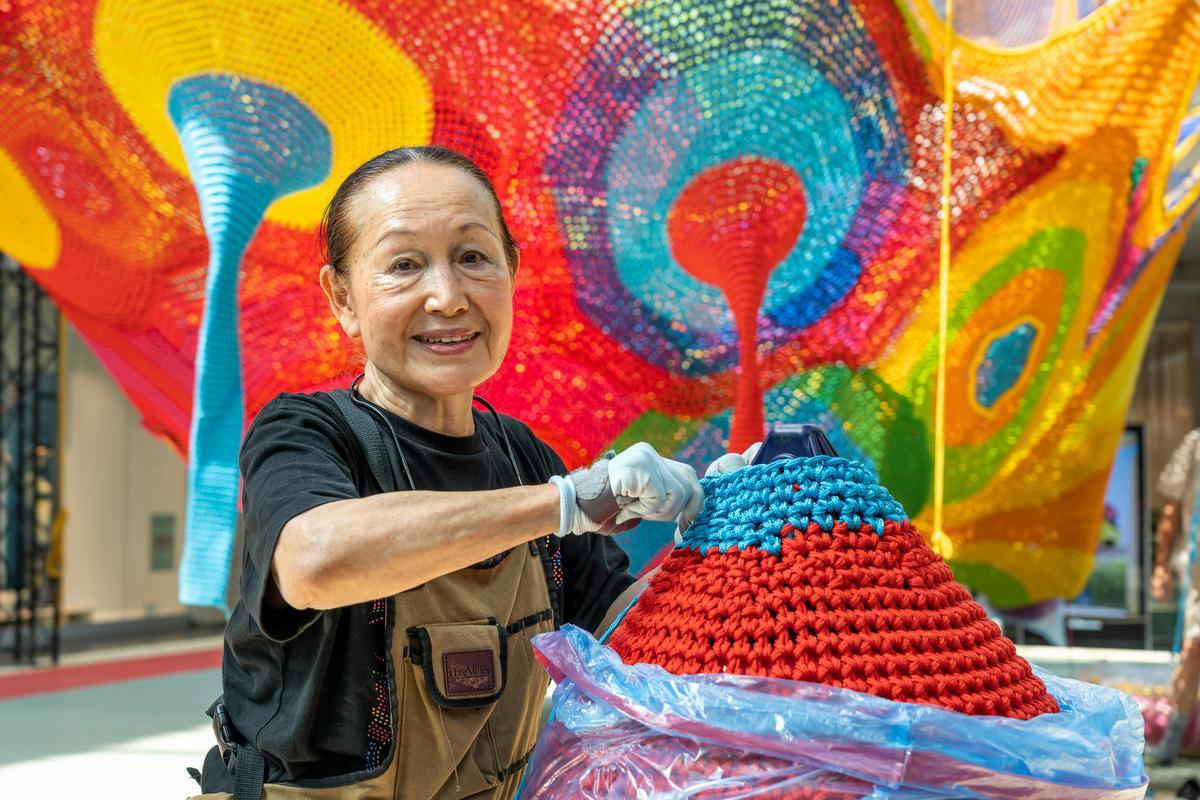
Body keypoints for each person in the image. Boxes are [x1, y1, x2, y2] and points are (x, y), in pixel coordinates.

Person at [189, 146, 712, 799]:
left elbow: (622, 633)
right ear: (342, 297)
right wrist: (565, 501)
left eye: (472, 258)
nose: (447, 296)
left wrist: (726, 535)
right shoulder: (306, 434)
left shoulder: (523, 458)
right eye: (404, 266)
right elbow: (314, 562)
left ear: (511, 272)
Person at [1150, 426, 1200, 764]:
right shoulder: (1196, 444)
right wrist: (1161, 566)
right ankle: (1172, 737)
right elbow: (1170, 513)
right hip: (1198, 570)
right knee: (1194, 646)